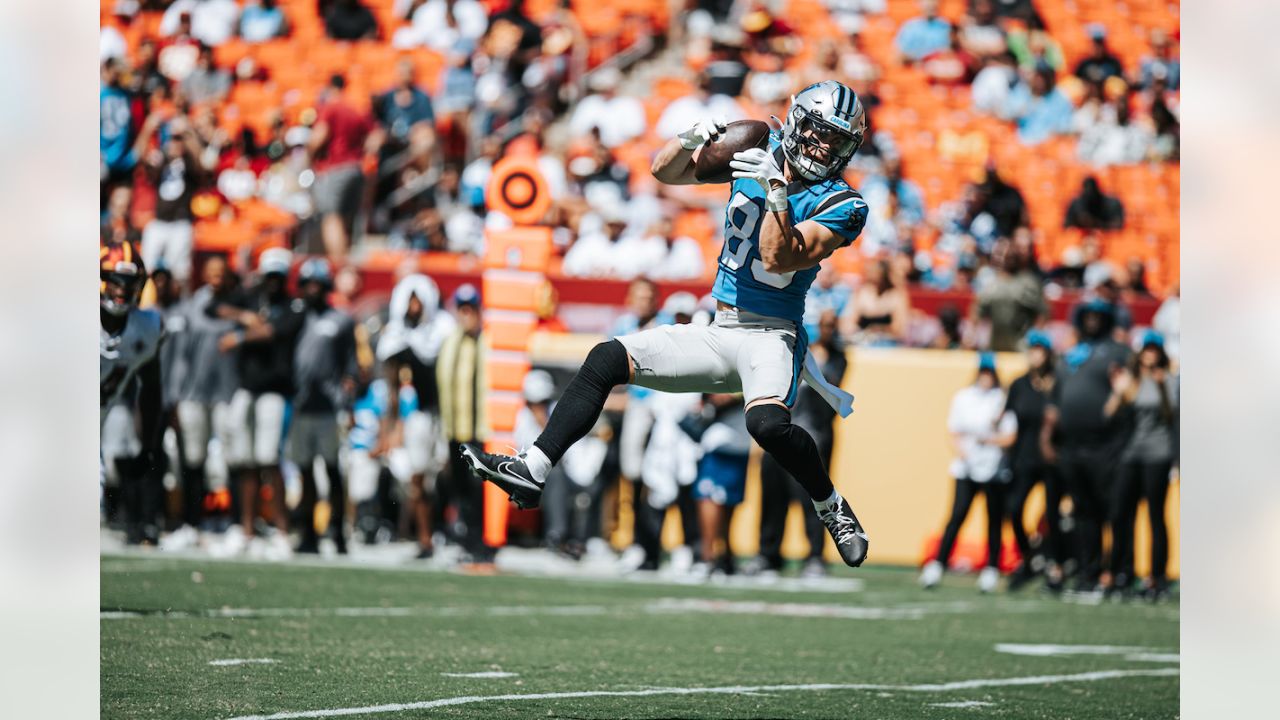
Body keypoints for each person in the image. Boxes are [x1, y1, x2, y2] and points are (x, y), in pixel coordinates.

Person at [462, 80, 872, 568]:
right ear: (800, 122)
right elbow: (665, 173)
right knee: (606, 358)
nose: (827, 149)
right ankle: (532, 467)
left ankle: (831, 506)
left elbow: (777, 256)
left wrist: (776, 189)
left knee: (765, 424)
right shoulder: (758, 145)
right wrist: (687, 139)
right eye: (822, 134)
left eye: (839, 142)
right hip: (721, 326)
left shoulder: (845, 203)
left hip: (771, 335)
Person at [212, 248, 305, 558]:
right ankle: (247, 529)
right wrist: (244, 316)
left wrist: (240, 336)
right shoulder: (251, 298)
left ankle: (280, 531)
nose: (274, 282)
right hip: (246, 388)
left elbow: (273, 332)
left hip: (275, 391)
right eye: (271, 276)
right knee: (244, 460)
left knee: (268, 458)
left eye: (279, 276)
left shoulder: (293, 305)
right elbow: (215, 307)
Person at [1039, 299, 1132, 592]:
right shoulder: (1069, 357)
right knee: (1083, 511)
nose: (1092, 320)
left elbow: (1129, 394)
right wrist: (1047, 437)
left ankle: (1118, 572)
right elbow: (1054, 403)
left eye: (1098, 316)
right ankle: (1087, 571)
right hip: (1071, 446)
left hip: (1106, 445)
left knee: (1115, 512)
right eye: (1087, 315)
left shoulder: (1118, 353)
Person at [756, 309, 846, 577]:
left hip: (811, 440)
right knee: (772, 498)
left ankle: (815, 556)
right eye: (823, 324)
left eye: (831, 325)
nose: (827, 329)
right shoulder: (785, 348)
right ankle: (768, 554)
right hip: (779, 435)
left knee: (812, 499)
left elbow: (829, 396)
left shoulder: (837, 359)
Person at [374, 274, 456, 558]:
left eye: (418, 299)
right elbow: (393, 388)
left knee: (450, 473)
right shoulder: (398, 336)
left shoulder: (445, 329)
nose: (414, 306)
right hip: (422, 414)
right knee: (418, 476)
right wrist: (389, 427)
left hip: (448, 414)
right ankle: (425, 538)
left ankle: (448, 528)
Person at [920, 353, 1016, 592]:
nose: (986, 377)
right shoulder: (964, 397)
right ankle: (937, 565)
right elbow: (954, 431)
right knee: (957, 516)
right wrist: (964, 454)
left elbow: (1010, 436)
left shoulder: (1002, 399)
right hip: (966, 468)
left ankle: (991, 568)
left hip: (994, 470)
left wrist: (989, 442)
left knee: (994, 521)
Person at [171, 256, 241, 550]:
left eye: (220, 273)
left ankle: (232, 524)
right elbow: (181, 355)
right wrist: (176, 394)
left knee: (231, 459)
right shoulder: (193, 307)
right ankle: (191, 523)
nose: (215, 278)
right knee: (193, 460)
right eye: (210, 272)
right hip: (195, 393)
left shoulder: (238, 306)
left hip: (227, 393)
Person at [290, 259, 358, 554]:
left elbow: (352, 368)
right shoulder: (295, 318)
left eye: (317, 284)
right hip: (301, 406)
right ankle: (308, 531)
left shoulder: (340, 320)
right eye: (308, 284)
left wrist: (350, 403)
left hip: (329, 407)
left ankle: (338, 531)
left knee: (332, 472)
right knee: (304, 473)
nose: (313, 290)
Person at [101, 242, 166, 545]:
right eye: (115, 282)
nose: (122, 291)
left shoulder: (146, 328)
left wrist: (148, 445)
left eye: (129, 284)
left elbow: (152, 388)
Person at [1105, 332, 1178, 600]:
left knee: (1155, 516)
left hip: (1157, 453)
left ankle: (1157, 577)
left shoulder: (1168, 380)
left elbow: (1173, 416)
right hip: (1130, 453)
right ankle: (1122, 571)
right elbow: (1109, 414)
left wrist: (1161, 387)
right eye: (1146, 349)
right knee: (1120, 513)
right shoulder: (1131, 380)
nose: (1150, 354)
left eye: (1154, 349)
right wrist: (1118, 391)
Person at [1001, 330, 1064, 591]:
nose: (1035, 354)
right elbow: (1007, 419)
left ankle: (1054, 566)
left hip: (1051, 460)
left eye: (1040, 349)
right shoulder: (1019, 384)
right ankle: (1029, 557)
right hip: (1024, 458)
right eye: (1032, 349)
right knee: (1014, 510)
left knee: (1052, 514)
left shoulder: (1059, 383)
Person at [437, 284, 490, 560]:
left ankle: (481, 543)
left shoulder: (488, 341)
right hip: (454, 430)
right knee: (459, 488)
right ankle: (466, 541)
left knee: (478, 489)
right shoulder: (450, 341)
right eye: (462, 308)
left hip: (480, 429)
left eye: (471, 308)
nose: (467, 314)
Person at [309, 75, 376, 262]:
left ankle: (340, 266)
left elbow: (317, 138)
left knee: (332, 218)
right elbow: (375, 137)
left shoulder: (330, 107)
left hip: (335, 169)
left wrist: (309, 159)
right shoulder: (356, 109)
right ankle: (348, 261)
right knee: (348, 220)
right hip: (356, 169)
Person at [687, 393, 752, 577]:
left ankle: (718, 556)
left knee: (724, 499)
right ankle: (712, 557)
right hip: (721, 439)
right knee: (713, 498)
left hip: (735, 439)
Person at [972, 237, 1047, 351]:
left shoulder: (1028, 283)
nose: (1007, 258)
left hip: (1021, 345)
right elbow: (978, 311)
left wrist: (1036, 338)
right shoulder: (991, 282)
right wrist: (972, 335)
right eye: (1003, 255)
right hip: (995, 344)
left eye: (1011, 255)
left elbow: (1043, 312)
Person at [845, 259, 909, 346]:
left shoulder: (896, 295)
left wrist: (878, 329)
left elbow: (899, 328)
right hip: (863, 341)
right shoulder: (861, 293)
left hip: (887, 342)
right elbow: (849, 323)